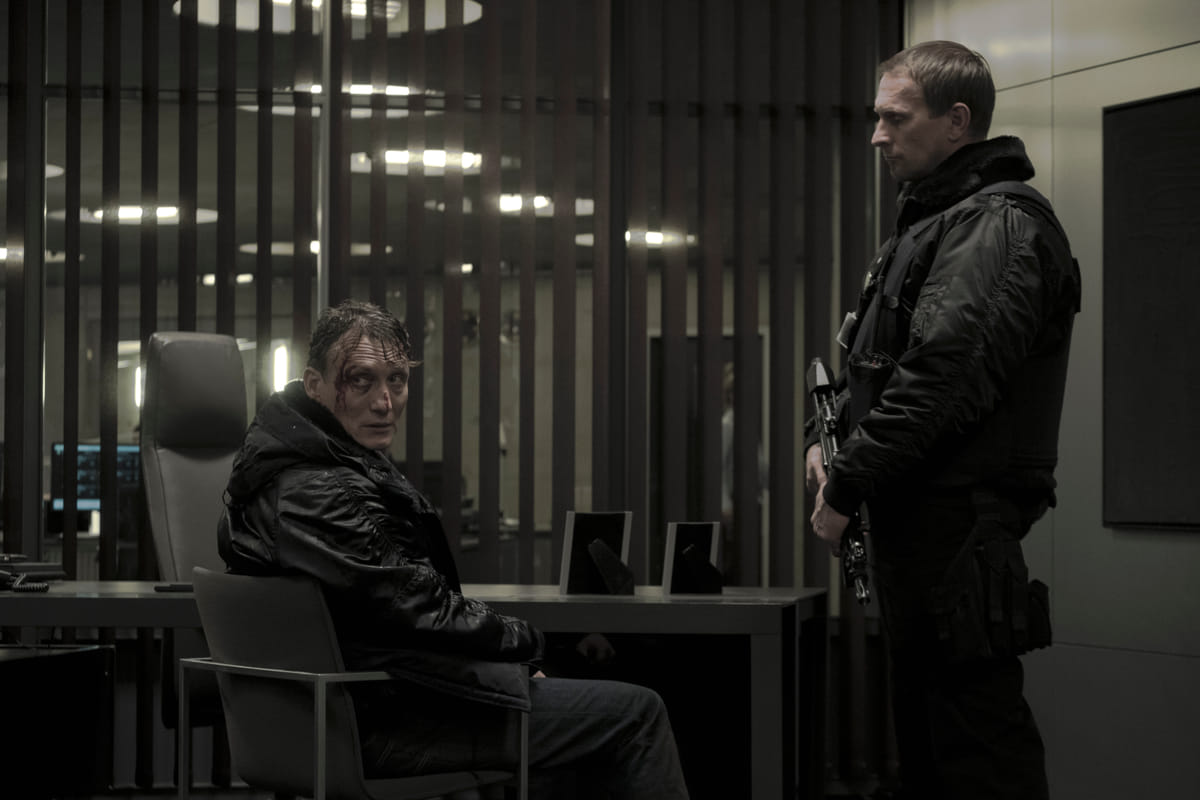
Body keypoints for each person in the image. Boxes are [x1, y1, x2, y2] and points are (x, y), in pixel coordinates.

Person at [218, 299, 689, 800]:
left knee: (583, 694)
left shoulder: (305, 464)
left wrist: (529, 656)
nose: (384, 401)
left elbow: (402, 609)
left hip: (375, 699)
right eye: (361, 380)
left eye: (397, 380)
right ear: (315, 385)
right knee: (638, 712)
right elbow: (421, 611)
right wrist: (533, 644)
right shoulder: (320, 488)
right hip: (385, 720)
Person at [805, 41, 1080, 800]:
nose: (877, 136)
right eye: (876, 117)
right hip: (921, 531)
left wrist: (846, 483)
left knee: (975, 757)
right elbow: (872, 369)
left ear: (957, 121)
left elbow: (941, 383)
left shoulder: (997, 223)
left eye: (896, 118)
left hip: (957, 535)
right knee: (932, 754)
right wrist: (823, 444)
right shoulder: (934, 224)